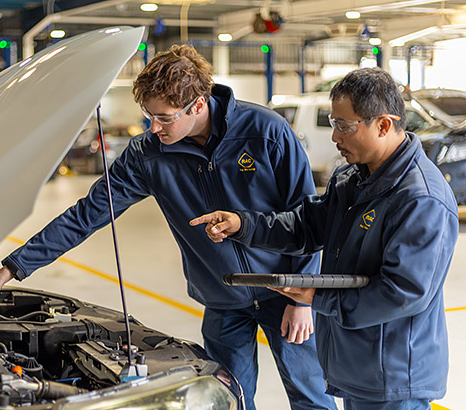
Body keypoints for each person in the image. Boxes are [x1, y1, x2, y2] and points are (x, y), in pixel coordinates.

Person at [0, 44, 336, 410]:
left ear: (198, 104)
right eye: (148, 116)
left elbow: (306, 218)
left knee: (310, 396)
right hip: (222, 299)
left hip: (285, 291)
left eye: (165, 118)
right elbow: (87, 214)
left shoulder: (265, 132)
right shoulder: (148, 156)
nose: (153, 128)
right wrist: (8, 272)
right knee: (228, 399)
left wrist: (300, 295)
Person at [191, 67, 458, 410]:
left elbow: (402, 293)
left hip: (392, 377)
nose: (335, 137)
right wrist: (243, 224)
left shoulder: (420, 199)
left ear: (384, 125)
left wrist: (318, 298)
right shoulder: (352, 179)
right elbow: (306, 226)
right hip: (358, 367)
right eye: (333, 124)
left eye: (344, 127)